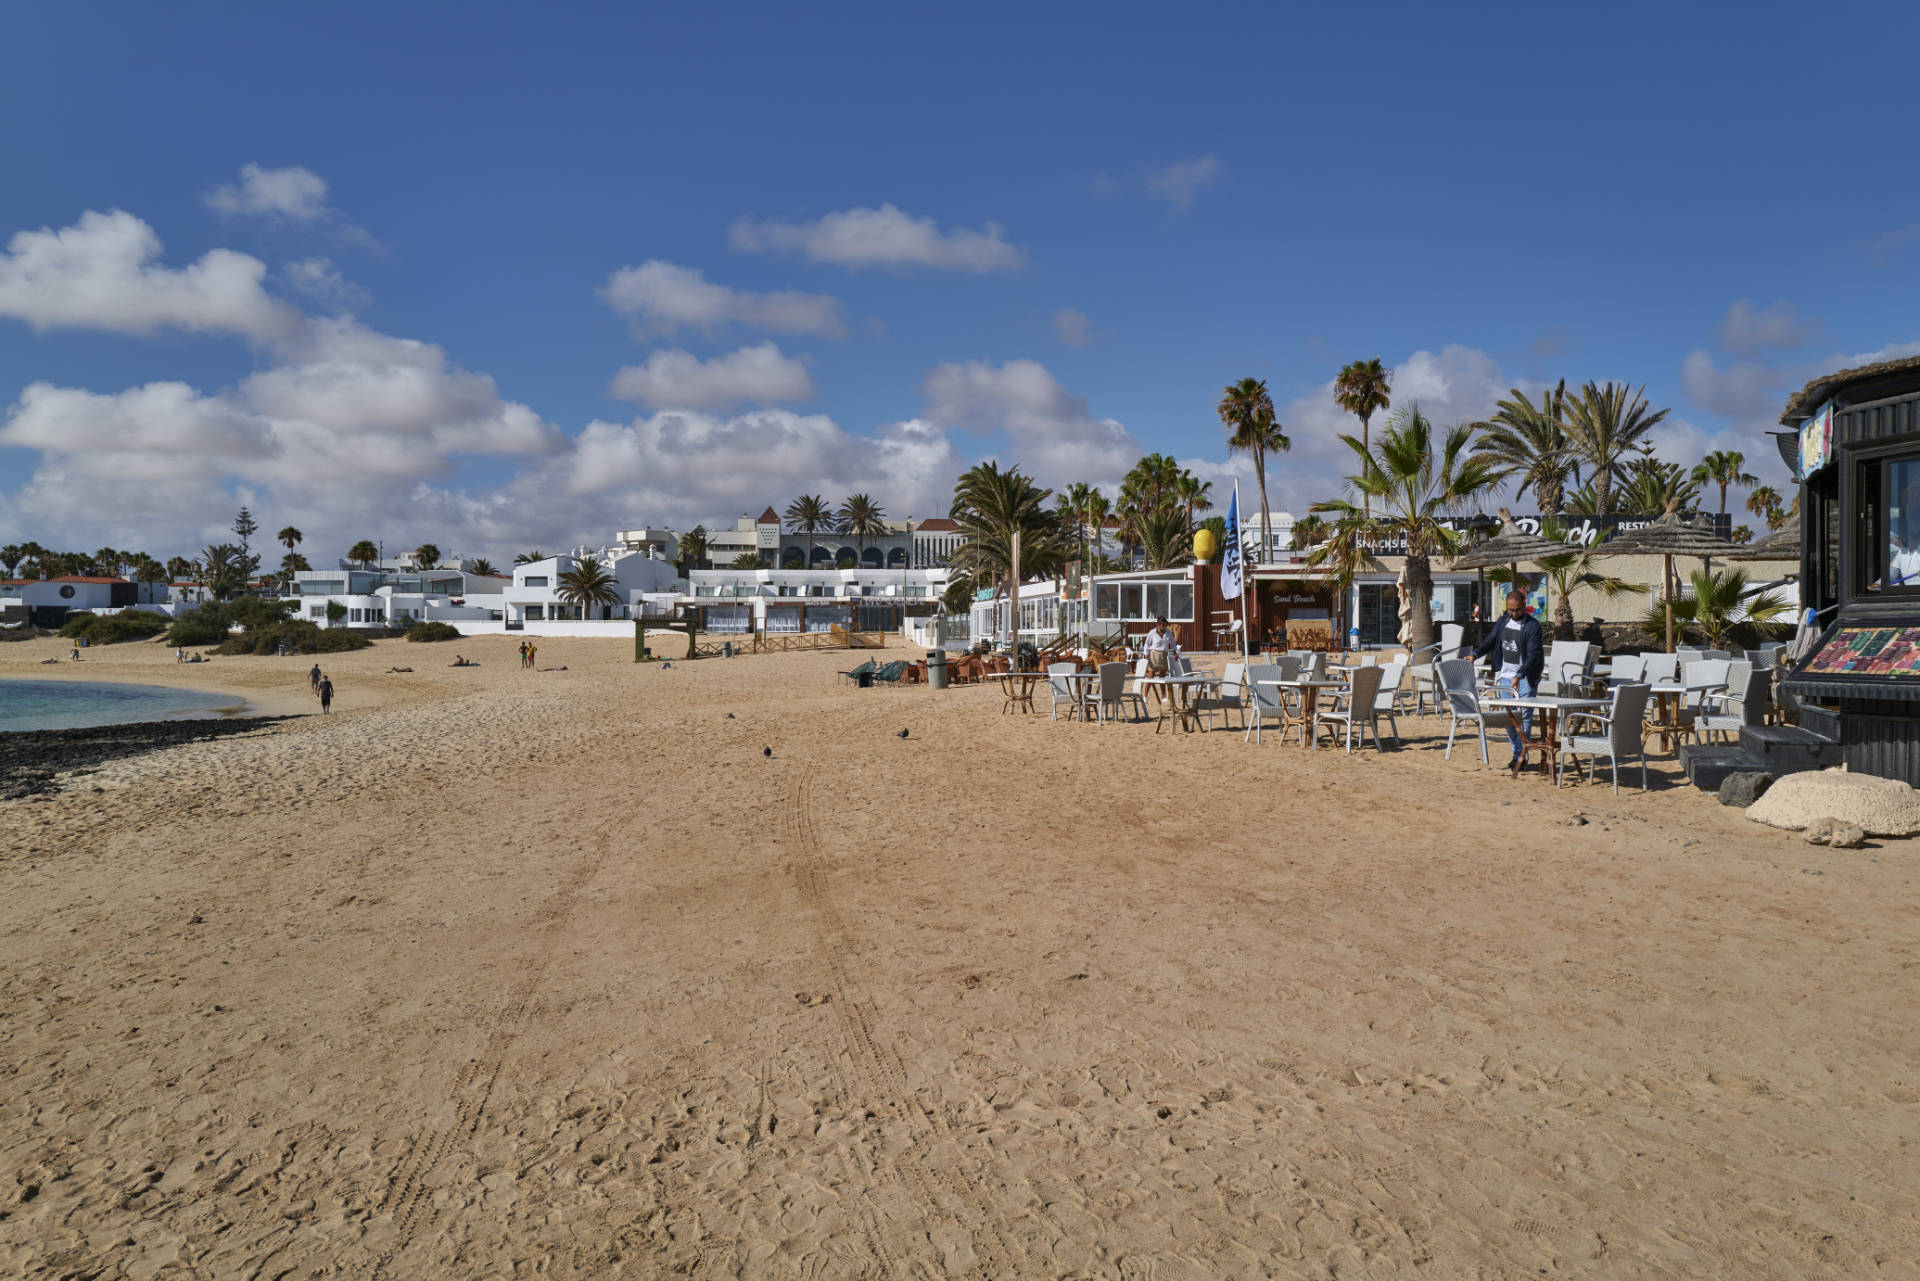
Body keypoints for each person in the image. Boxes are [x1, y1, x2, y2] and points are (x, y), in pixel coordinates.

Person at [1473, 590, 1544, 774]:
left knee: (1525, 717)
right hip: (1504, 677)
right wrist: (1475, 654)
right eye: (1510, 610)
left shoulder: (1532, 626)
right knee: (1509, 718)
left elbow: (1534, 655)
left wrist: (1519, 675)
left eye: (1517, 610)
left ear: (1524, 605)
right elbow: (1490, 641)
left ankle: (1521, 757)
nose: (1514, 613)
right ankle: (1517, 753)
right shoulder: (1503, 620)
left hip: (1525, 678)